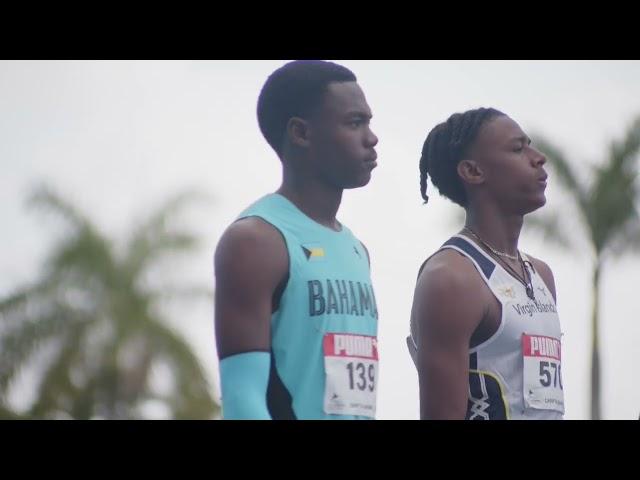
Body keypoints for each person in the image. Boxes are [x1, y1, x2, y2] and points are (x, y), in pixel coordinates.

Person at [214, 60, 380, 419]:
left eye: (369, 121)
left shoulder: (356, 250)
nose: (372, 137)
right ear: (301, 133)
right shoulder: (256, 241)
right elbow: (242, 398)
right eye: (355, 123)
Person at [407, 107, 564, 420]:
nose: (538, 157)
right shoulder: (452, 278)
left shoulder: (540, 274)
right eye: (518, 149)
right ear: (473, 172)